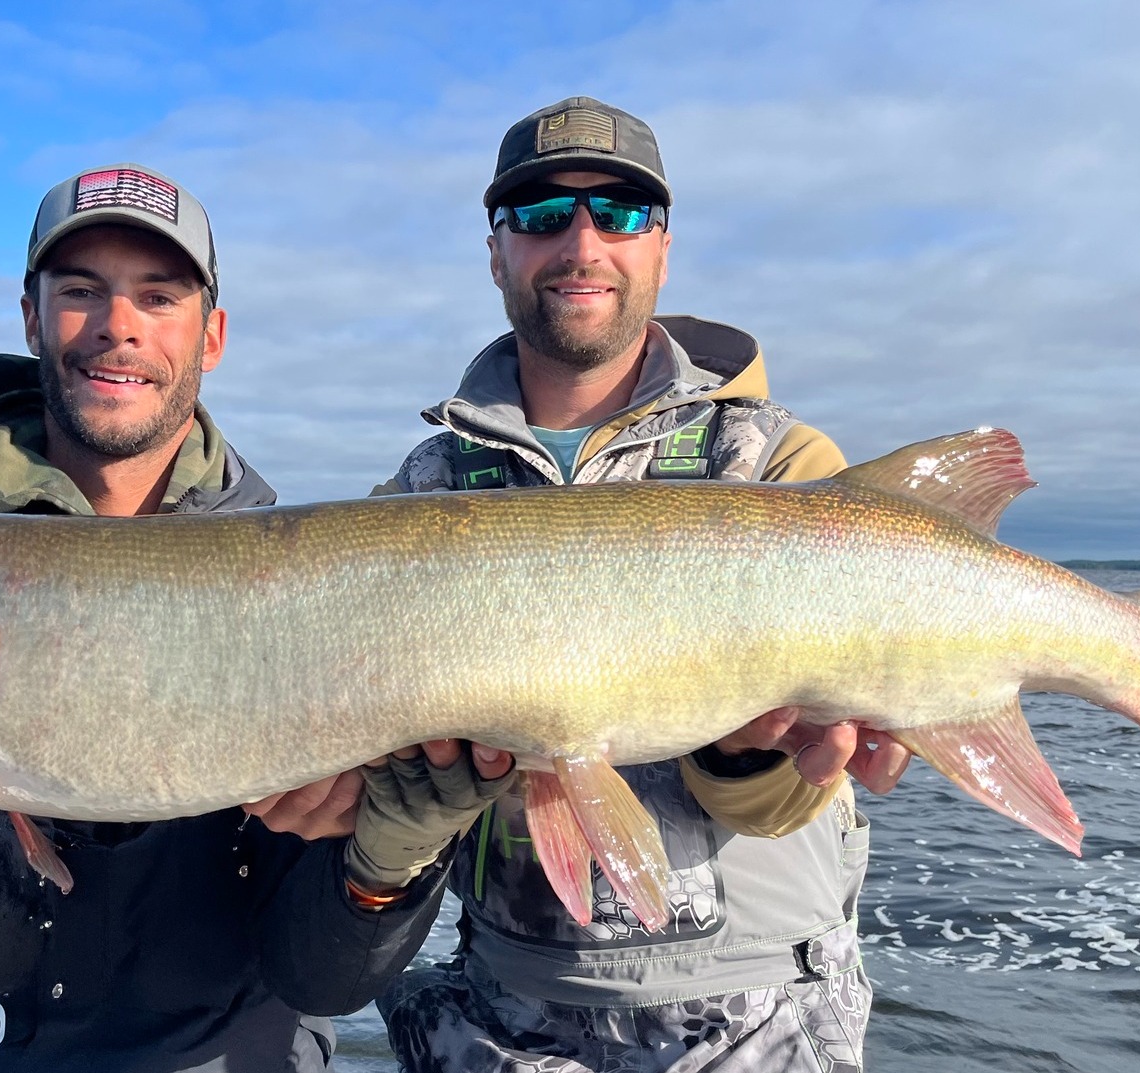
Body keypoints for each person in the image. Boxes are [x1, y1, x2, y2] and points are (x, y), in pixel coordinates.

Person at [0, 163, 513, 1072]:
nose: (118, 325)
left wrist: (389, 856)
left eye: (157, 296)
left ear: (212, 335)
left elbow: (319, 975)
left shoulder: (302, 583)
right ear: (31, 317)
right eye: (81, 291)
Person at [372, 98, 910, 1073]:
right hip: (501, 1012)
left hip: (753, 1015)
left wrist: (755, 752)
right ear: (496, 252)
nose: (579, 241)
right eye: (538, 215)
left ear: (660, 245)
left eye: (617, 212)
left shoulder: (774, 458)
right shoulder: (419, 489)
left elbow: (793, 795)